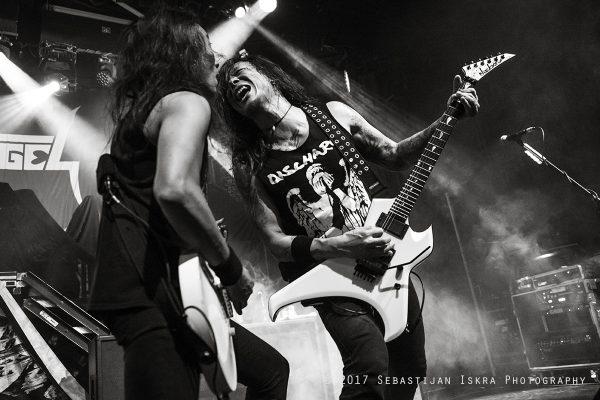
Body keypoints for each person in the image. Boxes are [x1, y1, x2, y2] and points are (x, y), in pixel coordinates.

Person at [216, 53, 479, 400]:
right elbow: (274, 241)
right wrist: (340, 246)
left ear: (268, 75)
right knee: (368, 366)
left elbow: (395, 154)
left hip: (387, 263)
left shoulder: (332, 114)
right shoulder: (249, 162)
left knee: (410, 368)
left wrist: (447, 117)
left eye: (238, 73)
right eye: (225, 86)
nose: (232, 83)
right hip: (331, 277)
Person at [88, 8, 289, 400]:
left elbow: (153, 202)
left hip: (153, 289)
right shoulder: (187, 101)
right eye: (206, 46)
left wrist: (198, 238)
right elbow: (175, 190)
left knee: (270, 371)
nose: (216, 57)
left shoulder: (144, 112)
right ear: (182, 56)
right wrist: (231, 270)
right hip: (152, 293)